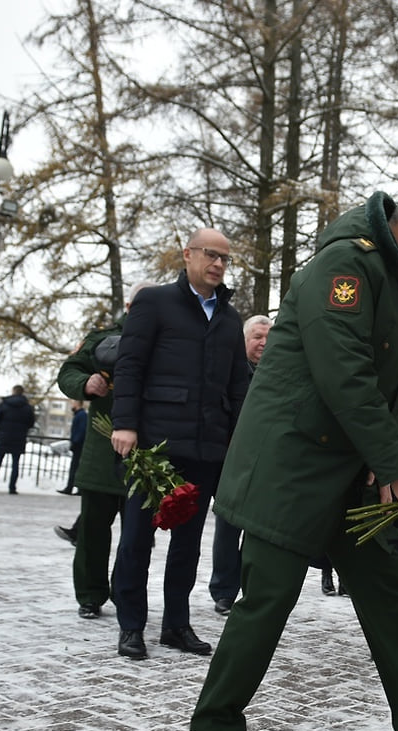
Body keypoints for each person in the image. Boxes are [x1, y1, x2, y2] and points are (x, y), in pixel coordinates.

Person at [187, 173, 398, 731]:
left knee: (386, 592)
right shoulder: (345, 266)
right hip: (292, 464)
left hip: (346, 470)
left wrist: (382, 469)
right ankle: (214, 724)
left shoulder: (397, 274)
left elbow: (383, 382)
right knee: (268, 597)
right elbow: (344, 376)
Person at [109, 230, 248, 660]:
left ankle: (176, 625)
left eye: (225, 258)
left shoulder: (229, 319)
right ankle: (131, 624)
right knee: (137, 537)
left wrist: (239, 440)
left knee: (187, 544)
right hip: (153, 446)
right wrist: (126, 424)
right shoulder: (155, 302)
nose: (219, 264)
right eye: (211, 255)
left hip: (205, 449)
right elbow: (130, 365)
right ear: (187, 255)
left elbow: (238, 386)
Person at [55, 282, 149, 618]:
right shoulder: (100, 339)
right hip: (101, 449)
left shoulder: (170, 342)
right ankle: (90, 595)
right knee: (94, 530)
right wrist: (85, 383)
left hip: (147, 452)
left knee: (137, 537)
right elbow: (68, 371)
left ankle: (127, 594)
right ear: (127, 305)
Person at [209, 314, 271, 615]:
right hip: (231, 461)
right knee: (228, 527)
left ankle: (250, 587)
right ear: (244, 340)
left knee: (258, 529)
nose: (264, 343)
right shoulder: (232, 372)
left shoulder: (276, 373)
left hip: (267, 463)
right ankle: (223, 590)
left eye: (268, 338)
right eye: (257, 336)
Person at [0, 385, 35, 493]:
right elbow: (31, 422)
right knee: (15, 463)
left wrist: (1, 427)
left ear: (13, 392)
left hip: (4, 436)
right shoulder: (27, 407)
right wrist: (23, 429)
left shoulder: (5, 404)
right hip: (19, 437)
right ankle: (12, 487)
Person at [57, 401, 87, 495]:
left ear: (78, 404)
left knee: (75, 467)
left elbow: (81, 430)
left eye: (73, 403)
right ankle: (75, 488)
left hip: (79, 445)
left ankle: (72, 488)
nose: (71, 405)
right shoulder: (81, 415)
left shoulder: (81, 415)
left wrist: (75, 442)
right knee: (77, 467)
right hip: (79, 444)